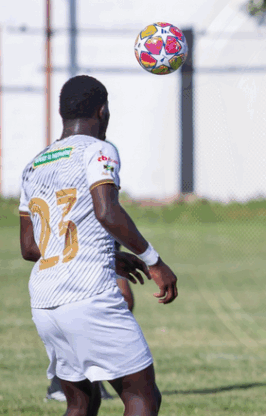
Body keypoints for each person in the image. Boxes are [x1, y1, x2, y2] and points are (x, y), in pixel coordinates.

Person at [19, 75, 179, 416]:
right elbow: (107, 211)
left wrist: (106, 253)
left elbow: (30, 247)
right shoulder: (98, 150)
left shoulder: (33, 165)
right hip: (89, 295)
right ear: (102, 111)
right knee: (142, 399)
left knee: (81, 403)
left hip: (46, 303)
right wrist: (153, 260)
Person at [45, 251, 139, 402]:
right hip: (79, 274)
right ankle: (65, 384)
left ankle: (84, 381)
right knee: (145, 397)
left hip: (96, 262)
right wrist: (152, 258)